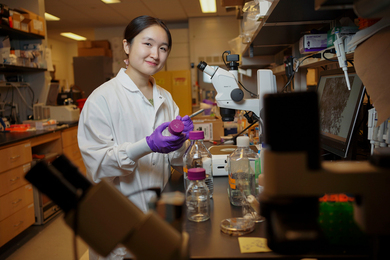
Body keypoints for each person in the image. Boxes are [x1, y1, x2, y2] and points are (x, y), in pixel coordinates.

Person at [77, 15, 193, 260]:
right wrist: (147, 145)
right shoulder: (102, 99)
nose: (156, 54)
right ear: (127, 46)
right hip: (115, 222)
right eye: (148, 44)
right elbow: (98, 166)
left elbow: (176, 162)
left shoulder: (166, 98)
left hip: (158, 217)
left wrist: (181, 140)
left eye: (163, 48)